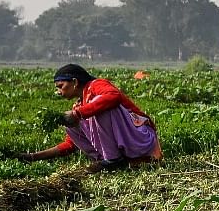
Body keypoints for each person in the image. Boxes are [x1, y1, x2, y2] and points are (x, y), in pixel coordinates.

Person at [18, 64, 163, 171]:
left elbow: (113, 96)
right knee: (71, 123)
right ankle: (110, 160)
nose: (58, 92)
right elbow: (72, 144)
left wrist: (78, 114)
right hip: (126, 147)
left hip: (140, 138)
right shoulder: (79, 106)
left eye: (60, 86)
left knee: (98, 108)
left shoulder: (96, 85)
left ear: (74, 82)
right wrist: (34, 157)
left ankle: (113, 159)